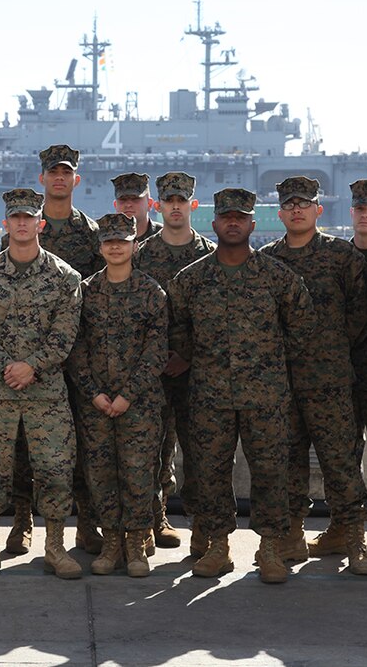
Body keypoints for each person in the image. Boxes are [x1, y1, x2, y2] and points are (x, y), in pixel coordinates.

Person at [169, 188, 313, 584]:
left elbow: (302, 325)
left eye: (240, 217)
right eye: (226, 217)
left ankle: (270, 548)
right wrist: (191, 359)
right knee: (210, 471)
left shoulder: (277, 276)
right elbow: (176, 327)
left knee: (271, 471)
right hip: (209, 394)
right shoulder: (192, 279)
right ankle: (217, 546)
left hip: (265, 395)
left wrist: (274, 364)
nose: (233, 223)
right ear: (214, 223)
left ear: (252, 223)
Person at [0, 187, 83, 579]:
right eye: (16, 218)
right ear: (6, 224)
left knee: (55, 468)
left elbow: (65, 334)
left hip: (46, 392)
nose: (23, 223)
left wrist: (32, 366)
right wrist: (8, 366)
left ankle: (56, 547)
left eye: (29, 217)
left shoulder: (64, 277)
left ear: (40, 224)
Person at [259, 175, 367, 574]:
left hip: (331, 382)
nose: (297, 210)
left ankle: (353, 537)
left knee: (341, 462)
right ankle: (292, 535)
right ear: (279, 213)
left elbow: (360, 312)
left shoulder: (342, 256)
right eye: (289, 205)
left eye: (304, 204)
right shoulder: (267, 260)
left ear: (318, 210)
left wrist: (332, 346)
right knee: (287, 463)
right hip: (283, 383)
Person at [0, 144, 104, 555]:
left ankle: (86, 524)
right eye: (53, 172)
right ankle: (22, 521)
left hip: (77, 355)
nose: (59, 178)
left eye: (66, 172)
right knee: (23, 445)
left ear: (76, 179)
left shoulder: (92, 234)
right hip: (26, 358)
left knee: (82, 443)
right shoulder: (22, 227)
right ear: (41, 178)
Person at [68, 213, 167, 577]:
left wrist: (128, 394)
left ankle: (136, 543)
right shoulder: (86, 292)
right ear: (100, 248)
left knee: (138, 473)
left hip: (139, 404)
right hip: (95, 404)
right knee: (100, 473)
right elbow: (75, 347)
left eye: (122, 242)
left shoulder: (152, 293)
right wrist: (94, 393)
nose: (114, 247)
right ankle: (111, 541)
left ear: (134, 246)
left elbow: (156, 351)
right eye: (108, 242)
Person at [132, 172, 216, 556]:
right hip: (151, 373)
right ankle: (154, 519)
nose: (176, 206)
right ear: (158, 205)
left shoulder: (210, 256)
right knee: (151, 450)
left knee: (201, 452)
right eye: (169, 201)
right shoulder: (141, 255)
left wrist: (189, 356)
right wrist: (157, 357)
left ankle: (201, 527)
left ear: (193, 205)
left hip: (198, 373)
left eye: (182, 200)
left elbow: (218, 318)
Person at [307, 178, 367, 558]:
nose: (364, 215)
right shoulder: (337, 257)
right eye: (359, 208)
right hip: (339, 375)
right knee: (339, 457)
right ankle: (343, 529)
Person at [112, 172, 161, 243]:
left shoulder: (166, 237)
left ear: (149, 204)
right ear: (115, 205)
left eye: (135, 199)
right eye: (123, 199)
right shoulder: (101, 240)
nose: (128, 204)